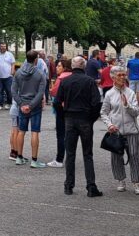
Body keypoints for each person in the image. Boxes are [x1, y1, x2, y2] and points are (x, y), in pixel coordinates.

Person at [57, 55, 103, 196]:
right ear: (83, 66)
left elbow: (58, 101)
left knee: (70, 153)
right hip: (85, 119)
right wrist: (92, 118)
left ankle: (68, 185)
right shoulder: (89, 82)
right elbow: (96, 103)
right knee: (87, 154)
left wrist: (64, 116)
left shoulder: (65, 81)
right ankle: (91, 186)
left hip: (70, 118)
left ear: (72, 66)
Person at [100, 66, 139, 194]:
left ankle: (136, 182)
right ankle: (120, 179)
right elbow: (103, 112)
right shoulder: (109, 94)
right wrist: (109, 125)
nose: (123, 77)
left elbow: (136, 112)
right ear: (113, 77)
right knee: (116, 156)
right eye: (120, 75)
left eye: (124, 75)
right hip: (116, 131)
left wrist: (127, 105)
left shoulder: (130, 93)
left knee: (134, 155)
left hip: (131, 131)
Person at [12, 50, 48, 168]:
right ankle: (34, 160)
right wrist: (31, 105)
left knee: (21, 131)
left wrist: (21, 104)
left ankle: (19, 157)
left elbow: (13, 90)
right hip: (35, 106)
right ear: (36, 59)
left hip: (22, 105)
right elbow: (40, 92)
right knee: (35, 131)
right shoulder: (40, 74)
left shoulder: (18, 73)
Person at [47, 58, 73, 168]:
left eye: (59, 66)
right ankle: (70, 158)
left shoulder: (61, 78)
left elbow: (54, 92)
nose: (57, 68)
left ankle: (59, 159)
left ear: (64, 67)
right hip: (72, 109)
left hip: (61, 109)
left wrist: (51, 89)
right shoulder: (73, 76)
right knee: (70, 134)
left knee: (61, 134)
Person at [0, 44, 16, 108]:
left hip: (8, 76)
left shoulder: (10, 54)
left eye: (4, 46)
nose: (3, 47)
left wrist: (12, 71)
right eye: (2, 46)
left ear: (6, 47)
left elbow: (13, 63)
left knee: (9, 91)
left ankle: (9, 103)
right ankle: (0, 104)